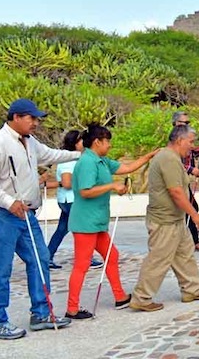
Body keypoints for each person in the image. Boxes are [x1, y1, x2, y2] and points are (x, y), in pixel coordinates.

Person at [0, 98, 79, 340]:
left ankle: (41, 313)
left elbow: (51, 154)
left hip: (27, 214)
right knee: (1, 269)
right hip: (2, 214)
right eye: (31, 118)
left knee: (40, 259)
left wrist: (79, 155)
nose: (35, 123)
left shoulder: (30, 142)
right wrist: (9, 202)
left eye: (36, 118)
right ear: (16, 117)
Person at [65, 124, 158, 320]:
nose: (109, 145)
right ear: (97, 142)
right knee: (82, 265)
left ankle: (120, 296)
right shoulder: (87, 162)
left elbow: (126, 168)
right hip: (85, 222)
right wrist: (113, 186)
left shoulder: (102, 160)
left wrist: (148, 156)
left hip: (97, 222)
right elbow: (85, 191)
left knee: (111, 256)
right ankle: (72, 308)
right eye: (107, 141)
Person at [130, 125, 199, 312]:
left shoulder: (172, 158)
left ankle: (191, 289)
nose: (192, 146)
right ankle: (141, 298)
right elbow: (175, 191)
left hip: (174, 219)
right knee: (158, 259)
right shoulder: (168, 158)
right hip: (164, 221)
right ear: (179, 140)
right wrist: (196, 216)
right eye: (190, 142)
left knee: (185, 255)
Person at [46, 130, 103, 270]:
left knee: (62, 229)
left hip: (67, 200)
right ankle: (86, 259)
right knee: (83, 228)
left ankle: (47, 257)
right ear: (75, 143)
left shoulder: (75, 159)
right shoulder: (68, 161)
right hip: (71, 200)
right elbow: (66, 183)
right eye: (81, 140)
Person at [172, 111, 199, 251]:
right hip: (175, 180)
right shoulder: (175, 139)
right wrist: (191, 169)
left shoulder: (185, 138)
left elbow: (193, 151)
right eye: (185, 122)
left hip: (183, 180)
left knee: (190, 208)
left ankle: (189, 240)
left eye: (188, 123)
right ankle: (193, 241)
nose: (187, 125)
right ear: (176, 123)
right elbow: (172, 159)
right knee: (189, 209)